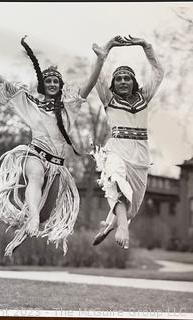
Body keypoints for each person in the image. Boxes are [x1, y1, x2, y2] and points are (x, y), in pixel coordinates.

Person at [0, 36, 112, 256]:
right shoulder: (31, 104)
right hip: (35, 154)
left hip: (57, 164)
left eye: (56, 81)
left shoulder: (70, 107)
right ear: (43, 84)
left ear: (60, 85)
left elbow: (89, 84)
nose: (52, 84)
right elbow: (5, 83)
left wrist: (101, 60)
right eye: (48, 81)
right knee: (35, 178)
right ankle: (33, 217)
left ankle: (34, 219)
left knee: (46, 214)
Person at [91, 35, 164, 249]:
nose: (123, 81)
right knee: (116, 180)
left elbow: (158, 73)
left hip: (140, 156)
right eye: (119, 78)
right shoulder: (108, 99)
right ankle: (123, 227)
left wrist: (146, 46)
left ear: (134, 82)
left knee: (133, 204)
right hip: (117, 149)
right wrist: (105, 51)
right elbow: (96, 77)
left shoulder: (144, 97)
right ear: (113, 84)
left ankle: (109, 227)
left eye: (127, 78)